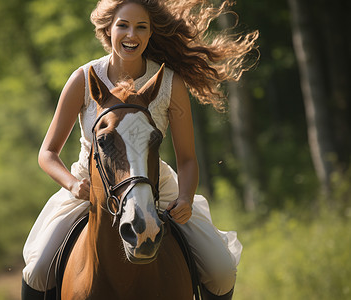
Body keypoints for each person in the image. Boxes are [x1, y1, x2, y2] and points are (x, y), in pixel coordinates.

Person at [21, 0, 258, 299]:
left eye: (141, 27)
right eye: (123, 25)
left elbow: (187, 159)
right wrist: (71, 183)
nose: (131, 34)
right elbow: (47, 153)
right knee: (39, 267)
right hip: (89, 182)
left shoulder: (170, 83)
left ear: (150, 34)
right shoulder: (82, 79)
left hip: (155, 181)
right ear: (108, 29)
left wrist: (185, 197)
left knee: (221, 270)